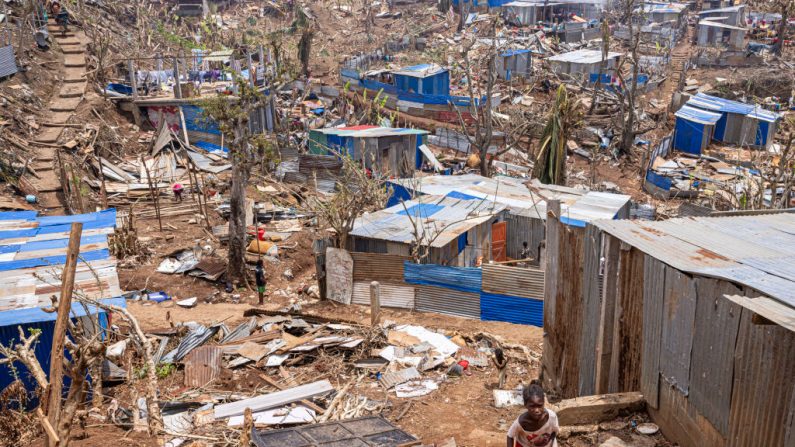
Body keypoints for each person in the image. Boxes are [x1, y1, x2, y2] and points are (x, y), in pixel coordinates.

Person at [507, 381, 559, 447]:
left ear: (543, 403)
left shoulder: (551, 417)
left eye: (540, 406)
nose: (537, 410)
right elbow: (510, 435)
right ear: (525, 405)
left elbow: (554, 432)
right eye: (532, 406)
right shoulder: (522, 422)